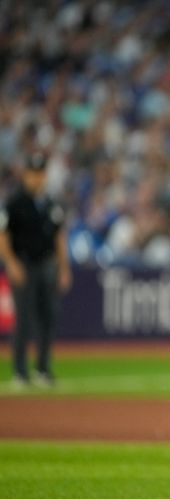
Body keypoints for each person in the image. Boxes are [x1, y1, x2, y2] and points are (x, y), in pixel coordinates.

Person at [0, 152, 72, 390]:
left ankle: (43, 369)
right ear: (26, 174)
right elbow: (3, 235)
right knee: (24, 319)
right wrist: (10, 263)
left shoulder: (51, 203)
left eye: (41, 173)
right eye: (33, 173)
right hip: (24, 264)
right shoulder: (14, 202)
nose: (37, 178)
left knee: (48, 316)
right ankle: (20, 373)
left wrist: (64, 267)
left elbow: (59, 237)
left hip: (46, 265)